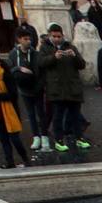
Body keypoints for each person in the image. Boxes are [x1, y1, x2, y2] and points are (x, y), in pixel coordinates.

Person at [39, 23, 90, 152]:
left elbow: (82, 64)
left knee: (75, 115)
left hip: (72, 88)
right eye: (54, 36)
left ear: (63, 35)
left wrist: (74, 56)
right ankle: (59, 140)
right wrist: (54, 57)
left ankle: (80, 138)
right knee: (58, 116)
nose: (57, 39)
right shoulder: (45, 48)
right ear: (50, 36)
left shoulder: (70, 46)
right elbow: (41, 63)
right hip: (56, 89)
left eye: (59, 36)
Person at [8, 28, 48, 151]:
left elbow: (41, 72)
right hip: (24, 90)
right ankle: (36, 136)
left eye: (29, 39)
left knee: (41, 113)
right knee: (31, 114)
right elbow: (10, 69)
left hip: (37, 88)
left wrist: (40, 86)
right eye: (25, 39)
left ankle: (44, 136)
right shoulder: (14, 54)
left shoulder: (35, 54)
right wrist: (19, 69)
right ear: (19, 40)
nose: (28, 41)